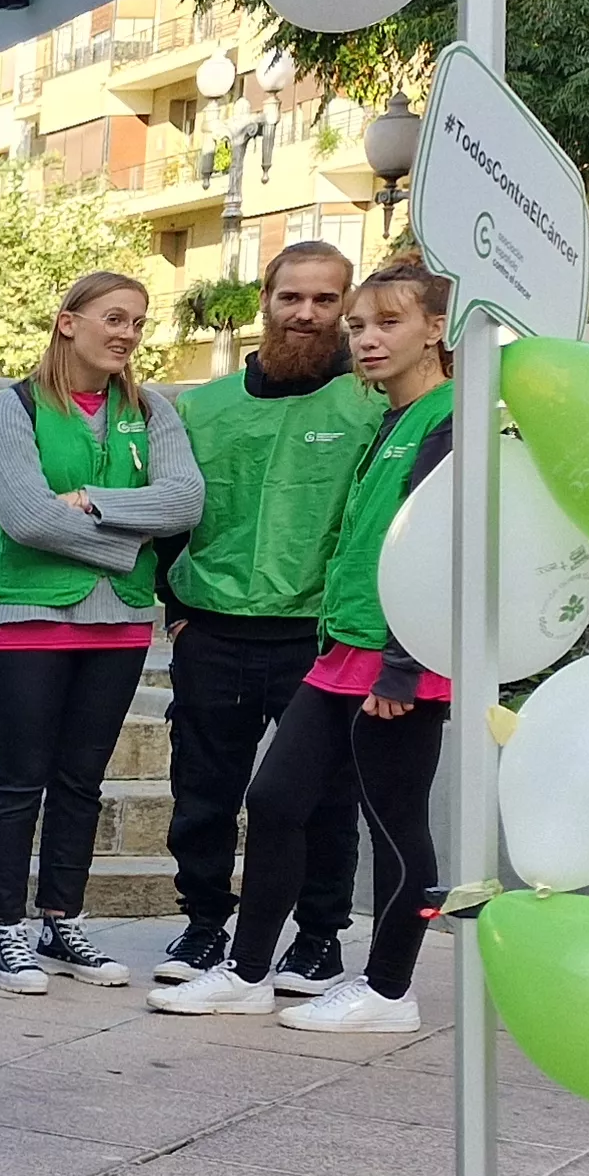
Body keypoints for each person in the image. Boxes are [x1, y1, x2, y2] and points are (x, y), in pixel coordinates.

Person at [150, 261, 458, 1033]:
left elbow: (447, 551)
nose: (365, 338)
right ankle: (249, 972)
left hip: (397, 656)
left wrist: (404, 662)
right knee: (277, 799)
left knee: (396, 827)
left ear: (436, 329)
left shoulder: (452, 419)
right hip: (342, 645)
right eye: (359, 326)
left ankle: (388, 990)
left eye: (387, 322)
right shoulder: (391, 413)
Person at [0, 271, 200, 993]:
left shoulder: (151, 411)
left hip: (119, 625)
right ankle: (5, 930)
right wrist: (128, 541)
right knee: (19, 780)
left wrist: (94, 500)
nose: (127, 333)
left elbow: (186, 499)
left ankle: (62, 919)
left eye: (137, 322)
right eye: (114, 317)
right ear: (69, 322)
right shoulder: (11, 409)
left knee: (81, 783)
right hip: (27, 618)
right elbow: (26, 516)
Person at [159, 242, 378, 991]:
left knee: (325, 799)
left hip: (320, 636)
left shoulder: (373, 405)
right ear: (266, 299)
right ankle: (202, 928)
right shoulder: (201, 406)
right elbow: (164, 510)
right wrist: (175, 606)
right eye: (293, 298)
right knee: (202, 790)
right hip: (213, 628)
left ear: (345, 307)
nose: (307, 314)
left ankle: (319, 938)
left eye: (324, 300)